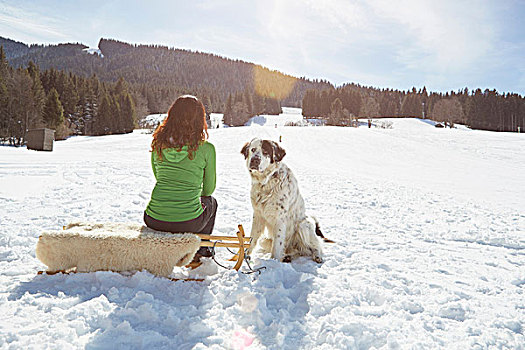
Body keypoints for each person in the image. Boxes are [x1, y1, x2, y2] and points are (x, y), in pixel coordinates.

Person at [144, 95, 217, 262]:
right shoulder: (206, 149)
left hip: (153, 219)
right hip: (188, 222)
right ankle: (201, 252)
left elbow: (159, 177)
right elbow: (208, 190)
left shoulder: (158, 145)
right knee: (211, 202)